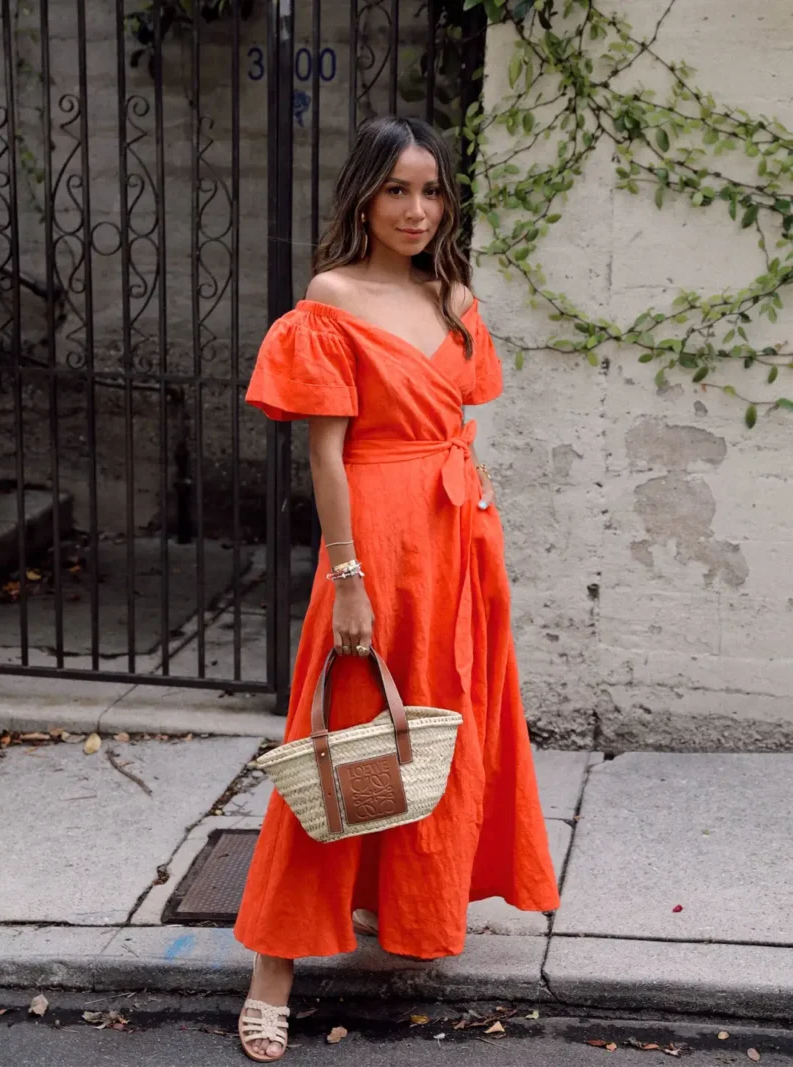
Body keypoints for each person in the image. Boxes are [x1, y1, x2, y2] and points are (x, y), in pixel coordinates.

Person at [234, 115, 560, 1062]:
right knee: (339, 734)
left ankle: (406, 902)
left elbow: (459, 422)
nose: (417, 209)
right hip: (374, 535)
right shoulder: (330, 297)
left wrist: (476, 518)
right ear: (364, 198)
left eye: (431, 190)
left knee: (436, 728)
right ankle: (273, 970)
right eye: (397, 191)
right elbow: (325, 456)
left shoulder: (456, 297)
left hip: (459, 537)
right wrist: (346, 576)